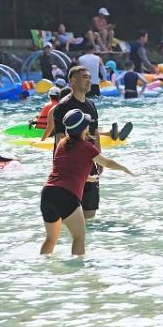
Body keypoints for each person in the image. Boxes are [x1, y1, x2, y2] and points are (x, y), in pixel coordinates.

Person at [40, 108, 135, 255]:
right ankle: (78, 268)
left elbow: (65, 170)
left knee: (51, 239)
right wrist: (124, 168)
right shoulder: (87, 147)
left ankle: (43, 265)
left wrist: (88, 178)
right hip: (66, 195)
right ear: (84, 128)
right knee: (79, 237)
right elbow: (107, 163)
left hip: (48, 193)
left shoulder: (62, 144)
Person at [52, 66, 103, 219]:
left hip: (89, 164)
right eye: (85, 77)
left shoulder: (91, 105)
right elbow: (60, 138)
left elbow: (95, 133)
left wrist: (99, 159)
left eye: (89, 77)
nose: (89, 81)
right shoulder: (63, 106)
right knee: (70, 213)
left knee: (90, 214)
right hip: (70, 167)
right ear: (73, 81)